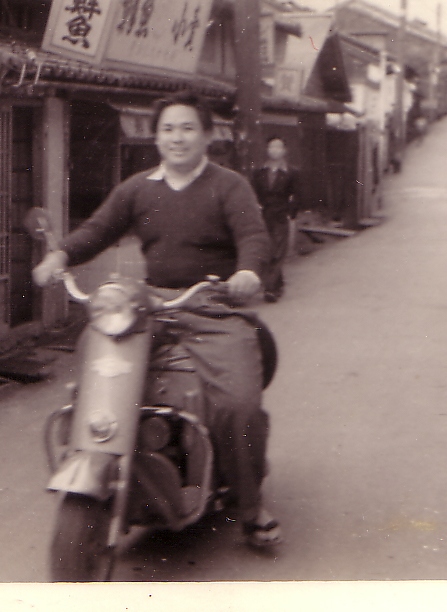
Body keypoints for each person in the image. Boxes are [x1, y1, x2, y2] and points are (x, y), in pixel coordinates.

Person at [33, 91, 281, 547]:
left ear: (208, 135)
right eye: (168, 128)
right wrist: (60, 255)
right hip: (150, 305)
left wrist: (247, 272)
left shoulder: (230, 186)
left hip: (212, 304)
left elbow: (253, 236)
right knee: (95, 359)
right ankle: (103, 457)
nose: (177, 138)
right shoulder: (138, 188)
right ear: (155, 135)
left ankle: (250, 506)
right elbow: (98, 229)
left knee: (239, 403)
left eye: (188, 128)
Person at [250, 136, 300, 302]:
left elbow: (297, 195)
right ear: (267, 149)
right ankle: (277, 284)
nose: (275, 150)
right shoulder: (259, 172)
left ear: (285, 150)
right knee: (266, 250)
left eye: (278, 147)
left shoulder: (291, 172)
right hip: (263, 215)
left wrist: (291, 213)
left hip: (280, 215)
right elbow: (253, 194)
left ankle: (270, 289)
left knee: (278, 251)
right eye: (271, 147)